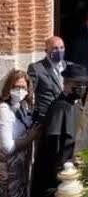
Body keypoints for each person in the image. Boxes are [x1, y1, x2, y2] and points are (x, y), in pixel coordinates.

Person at [31, 63, 88, 197]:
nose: (82, 87)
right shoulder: (59, 108)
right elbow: (55, 146)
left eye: (84, 84)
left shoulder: (77, 104)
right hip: (57, 176)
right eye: (77, 83)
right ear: (66, 83)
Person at [0, 69, 40, 197]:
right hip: (8, 171)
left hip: (21, 168)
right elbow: (7, 147)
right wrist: (30, 137)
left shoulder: (23, 106)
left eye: (23, 87)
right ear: (9, 88)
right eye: (16, 87)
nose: (19, 91)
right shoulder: (4, 110)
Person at [27, 36, 66, 124]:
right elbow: (29, 93)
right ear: (46, 51)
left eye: (62, 48)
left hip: (65, 116)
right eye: (55, 48)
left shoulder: (67, 66)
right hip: (47, 118)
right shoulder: (36, 68)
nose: (59, 51)